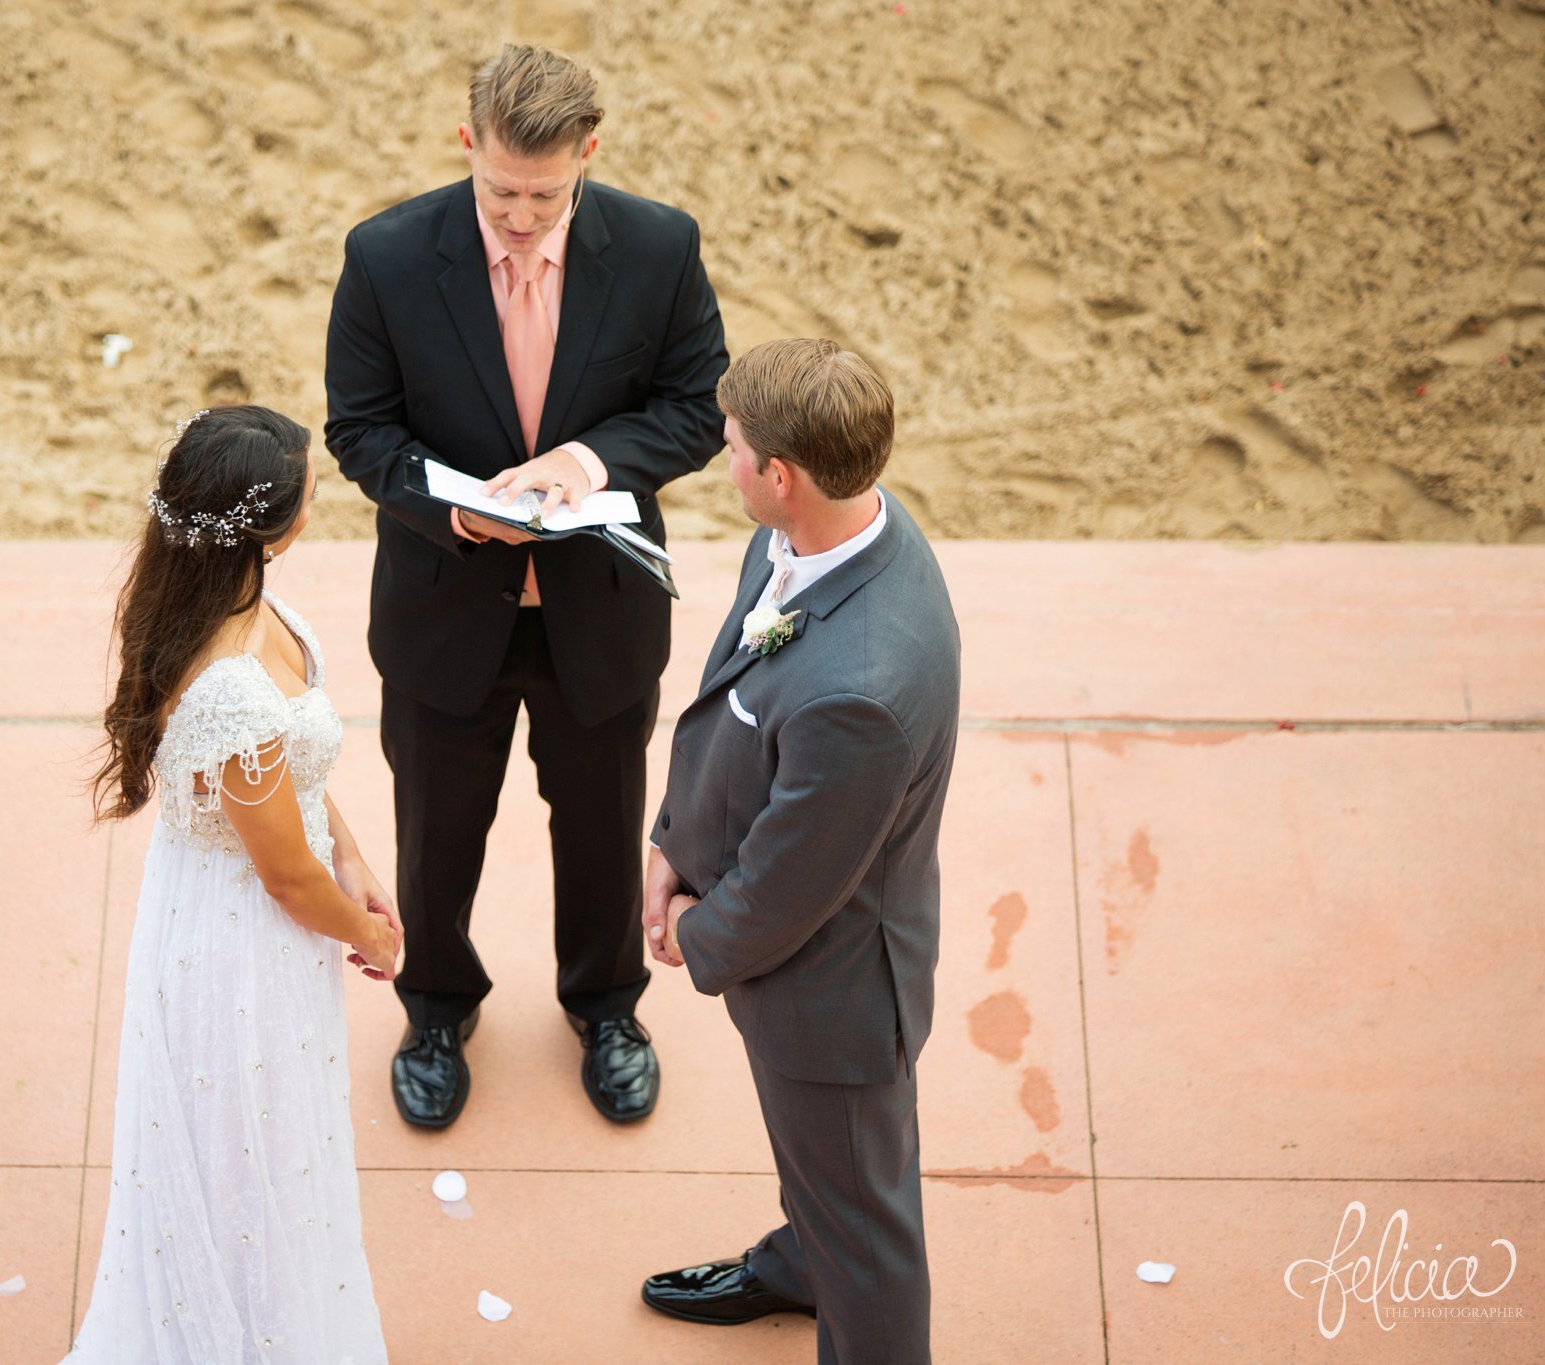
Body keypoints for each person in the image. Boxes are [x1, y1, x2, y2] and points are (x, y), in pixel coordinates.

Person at [324, 43, 729, 1130]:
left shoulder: (658, 247)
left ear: (587, 156)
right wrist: (444, 505)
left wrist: (588, 464)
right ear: (468, 146)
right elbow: (358, 431)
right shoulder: (386, 256)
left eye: (542, 194)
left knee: (600, 828)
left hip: (597, 618)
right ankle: (435, 1007)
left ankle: (605, 1008)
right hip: (443, 610)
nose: (516, 213)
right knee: (437, 830)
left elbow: (697, 405)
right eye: (499, 187)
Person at [639, 340, 960, 1365]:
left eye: (732, 450)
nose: (720, 462)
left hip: (833, 998)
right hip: (793, 963)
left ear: (780, 475)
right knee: (821, 1171)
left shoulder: (858, 691)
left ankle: (836, 1282)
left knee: (866, 1226)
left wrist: (695, 932)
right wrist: (670, 845)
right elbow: (731, 707)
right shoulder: (829, 533)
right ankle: (797, 1266)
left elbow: (794, 881)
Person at [68, 404, 400, 1363]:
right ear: (268, 527)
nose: (312, 506)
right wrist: (370, 935)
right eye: (306, 495)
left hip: (263, 885)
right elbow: (286, 880)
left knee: (264, 1152)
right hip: (242, 939)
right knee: (249, 1156)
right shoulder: (228, 687)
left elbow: (295, 787)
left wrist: (355, 856)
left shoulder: (239, 603)